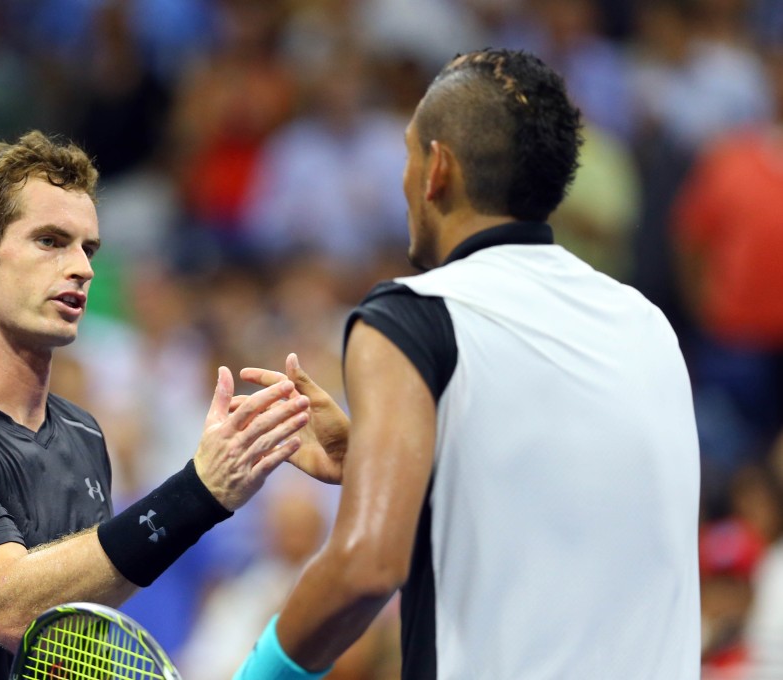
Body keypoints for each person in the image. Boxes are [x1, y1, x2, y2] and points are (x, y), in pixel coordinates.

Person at [235, 48, 701, 679]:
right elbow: (578, 502)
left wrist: (258, 674)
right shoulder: (647, 322)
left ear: (438, 170)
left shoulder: (409, 316)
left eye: (408, 153)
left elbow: (367, 566)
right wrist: (390, 462)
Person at [0, 130, 322, 679]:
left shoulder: (83, 435)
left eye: (87, 247)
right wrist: (201, 490)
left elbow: (70, 642)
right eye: (51, 241)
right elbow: (10, 609)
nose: (83, 268)